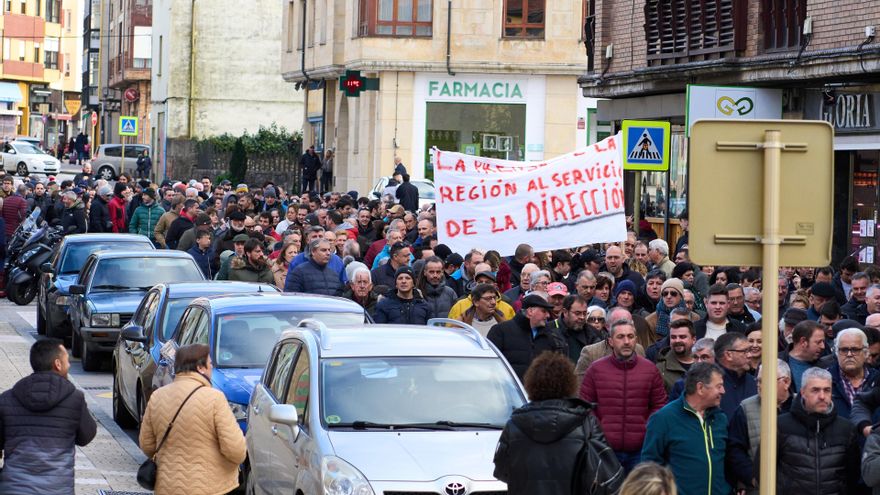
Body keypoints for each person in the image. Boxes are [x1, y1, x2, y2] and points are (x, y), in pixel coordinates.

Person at [493, 352, 618, 495]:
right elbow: (608, 473)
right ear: (569, 383)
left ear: (531, 384)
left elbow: (502, 471)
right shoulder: (585, 422)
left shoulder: (514, 424)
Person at [139, 343, 246, 494]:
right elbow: (236, 450)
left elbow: (147, 445)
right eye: (209, 364)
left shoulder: (158, 396)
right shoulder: (214, 399)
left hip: (167, 486)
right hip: (210, 487)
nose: (211, 368)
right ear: (200, 368)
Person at [0, 338, 97, 494]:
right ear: (58, 364)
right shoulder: (74, 398)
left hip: (14, 488)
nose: (70, 365)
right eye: (67, 361)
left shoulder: (7, 398)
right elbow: (86, 436)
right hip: (57, 489)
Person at [580, 317, 667, 473]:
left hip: (640, 451)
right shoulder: (596, 369)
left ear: (636, 340)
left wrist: (646, 429)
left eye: (630, 336)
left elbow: (659, 405)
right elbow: (586, 406)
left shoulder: (650, 369)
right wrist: (600, 432)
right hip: (605, 450)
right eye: (621, 337)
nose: (626, 341)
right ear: (611, 341)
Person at [641, 362, 731, 495]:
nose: (723, 391)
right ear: (700, 388)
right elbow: (649, 467)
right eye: (719, 386)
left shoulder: (720, 419)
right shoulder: (663, 419)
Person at [773, 367, 860, 494]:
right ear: (802, 392)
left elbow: (853, 475)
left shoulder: (846, 429)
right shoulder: (781, 425)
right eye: (815, 390)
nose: (822, 396)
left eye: (827, 390)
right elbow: (763, 469)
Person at [727, 359, 792, 494]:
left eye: (765, 381)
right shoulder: (745, 408)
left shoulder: (801, 407)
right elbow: (735, 450)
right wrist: (752, 478)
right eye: (758, 380)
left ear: (786, 382)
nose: (759, 385)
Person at [487, 293, 568, 379]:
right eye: (544, 311)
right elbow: (490, 365)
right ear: (530, 311)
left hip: (540, 390)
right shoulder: (500, 331)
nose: (548, 315)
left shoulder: (551, 335)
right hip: (508, 389)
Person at [714, 332, 758, 419]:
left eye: (750, 350)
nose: (750, 355)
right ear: (728, 355)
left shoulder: (755, 383)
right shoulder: (708, 384)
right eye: (745, 351)